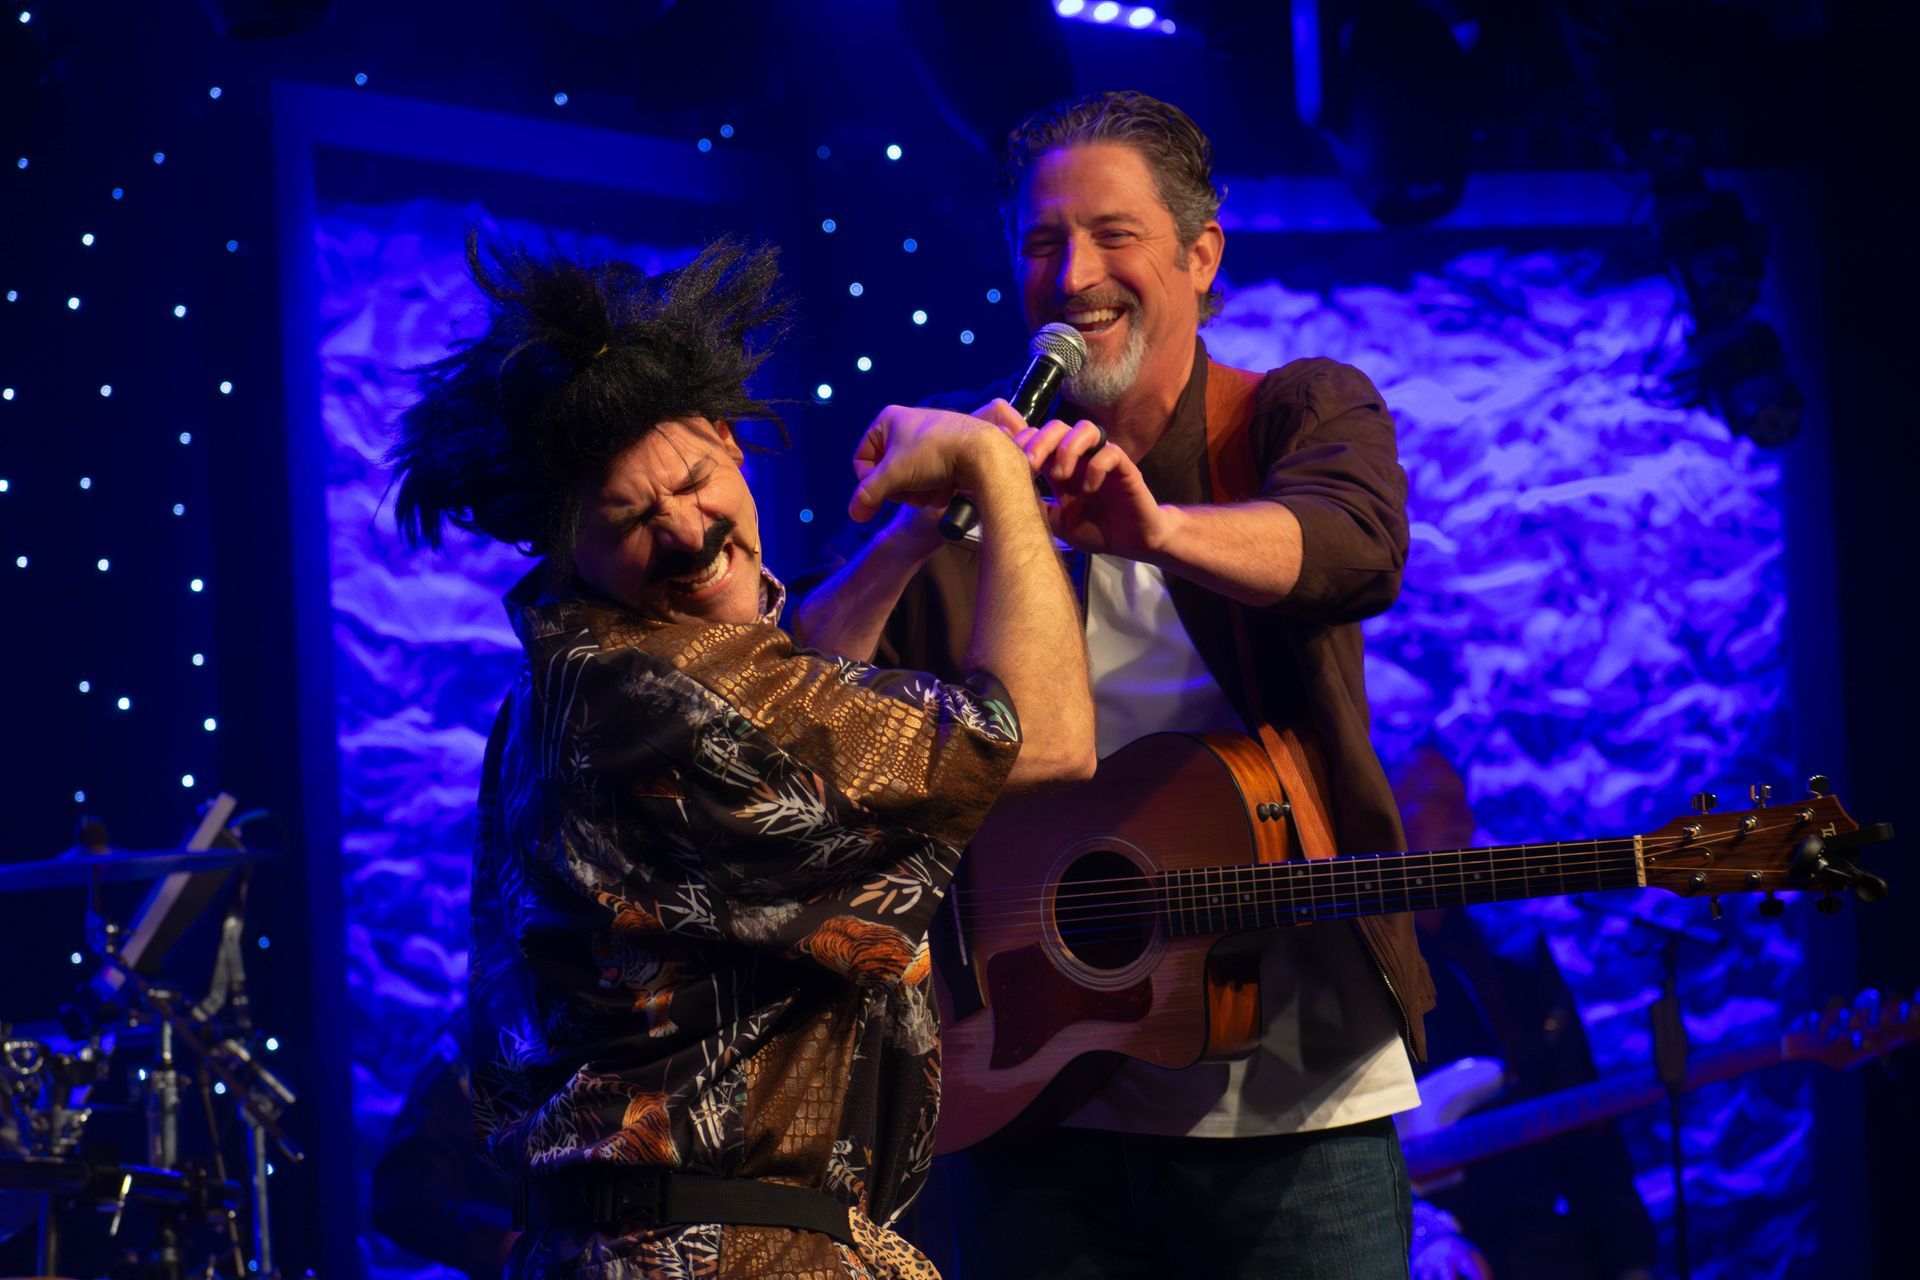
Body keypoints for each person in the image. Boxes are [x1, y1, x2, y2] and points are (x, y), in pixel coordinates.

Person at [795, 90, 1435, 1278]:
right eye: (1043, 243)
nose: (1074, 275)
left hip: (1295, 1116)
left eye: (1113, 235)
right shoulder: (987, 479)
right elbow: (804, 702)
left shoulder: (1294, 409)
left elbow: (1353, 546)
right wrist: (921, 524)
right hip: (1029, 1108)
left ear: (1202, 255)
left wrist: (1158, 530)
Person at [389, 235, 1094, 1280]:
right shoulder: (656, 700)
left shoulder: (582, 673)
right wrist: (998, 476)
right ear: (568, 545)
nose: (685, 531)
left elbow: (786, 692)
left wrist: (910, 533)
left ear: (729, 437)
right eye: (633, 517)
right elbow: (1048, 736)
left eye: (691, 480)